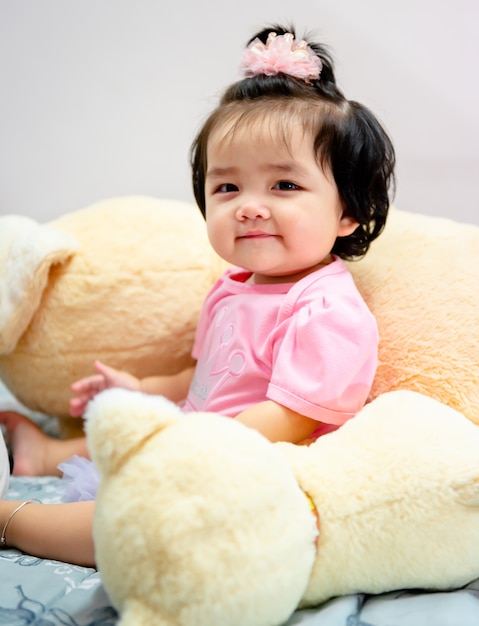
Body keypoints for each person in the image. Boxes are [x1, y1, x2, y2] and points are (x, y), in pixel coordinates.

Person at [0, 24, 395, 566]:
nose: (249, 206)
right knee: (128, 434)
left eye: (284, 185)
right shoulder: (231, 289)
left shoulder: (324, 308)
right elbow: (199, 380)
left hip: (261, 466)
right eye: (227, 187)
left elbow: (291, 417)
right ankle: (46, 453)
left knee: (144, 520)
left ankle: (17, 522)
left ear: (348, 211)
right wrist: (138, 388)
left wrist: (185, 447)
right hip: (198, 438)